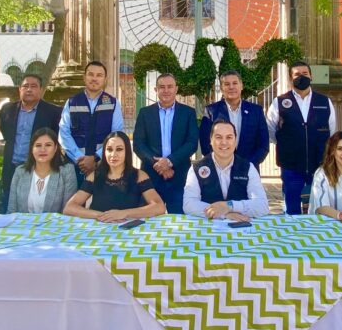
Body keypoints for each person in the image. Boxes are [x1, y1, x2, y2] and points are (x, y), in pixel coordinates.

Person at [266, 61, 336, 215]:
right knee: (292, 209)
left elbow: (331, 130)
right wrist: (287, 144)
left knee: (320, 206)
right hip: (291, 165)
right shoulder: (279, 102)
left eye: (305, 73)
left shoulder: (324, 101)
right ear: (290, 78)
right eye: (297, 74)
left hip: (319, 164)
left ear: (311, 76)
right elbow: (270, 129)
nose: (301, 77)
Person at [133, 73, 199, 214]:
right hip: (151, 177)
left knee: (180, 220)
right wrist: (159, 165)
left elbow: (192, 143)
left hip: (179, 175)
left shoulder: (188, 113)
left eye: (170, 86)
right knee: (148, 219)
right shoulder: (145, 113)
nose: (166, 90)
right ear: (156, 90)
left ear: (176, 89)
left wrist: (169, 161)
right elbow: (138, 144)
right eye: (162, 87)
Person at [63, 131, 166, 222]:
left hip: (129, 230)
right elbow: (69, 207)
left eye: (119, 149)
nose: (113, 154)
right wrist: (102, 216)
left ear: (127, 152)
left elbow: (159, 207)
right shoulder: (95, 176)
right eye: (109, 149)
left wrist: (124, 213)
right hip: (99, 229)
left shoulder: (139, 176)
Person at [183, 119, 269, 221]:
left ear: (235, 141)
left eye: (229, 137)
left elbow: (262, 206)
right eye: (218, 137)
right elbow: (189, 204)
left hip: (241, 228)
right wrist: (224, 214)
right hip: (208, 227)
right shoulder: (196, 169)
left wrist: (229, 206)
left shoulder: (248, 168)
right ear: (210, 140)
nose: (224, 142)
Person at [0, 74, 62, 212]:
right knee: (10, 205)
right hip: (12, 166)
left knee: (36, 206)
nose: (29, 89)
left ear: (41, 90)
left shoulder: (53, 112)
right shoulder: (7, 110)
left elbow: (55, 139)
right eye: (25, 86)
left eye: (33, 86)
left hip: (39, 168)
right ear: (19, 89)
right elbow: (6, 133)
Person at [59, 60, 124, 187]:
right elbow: (63, 133)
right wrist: (80, 158)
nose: (94, 78)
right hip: (75, 165)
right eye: (90, 74)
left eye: (99, 75)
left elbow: (116, 134)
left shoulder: (113, 103)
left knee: (101, 199)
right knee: (74, 198)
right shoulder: (72, 102)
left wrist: (96, 158)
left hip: (103, 165)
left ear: (105, 79)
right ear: (84, 77)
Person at [199, 70, 269, 168]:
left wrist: (247, 165)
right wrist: (222, 164)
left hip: (248, 169)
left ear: (241, 86)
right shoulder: (211, 111)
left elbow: (263, 145)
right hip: (219, 170)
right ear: (221, 88)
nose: (231, 87)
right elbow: (205, 145)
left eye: (235, 83)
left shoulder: (256, 111)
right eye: (227, 84)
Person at [7, 128, 77, 214]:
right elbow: (11, 211)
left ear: (55, 148)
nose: (43, 150)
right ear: (32, 149)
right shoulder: (20, 171)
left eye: (48, 145)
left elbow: (67, 212)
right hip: (22, 222)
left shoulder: (67, 171)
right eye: (38, 145)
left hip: (54, 223)